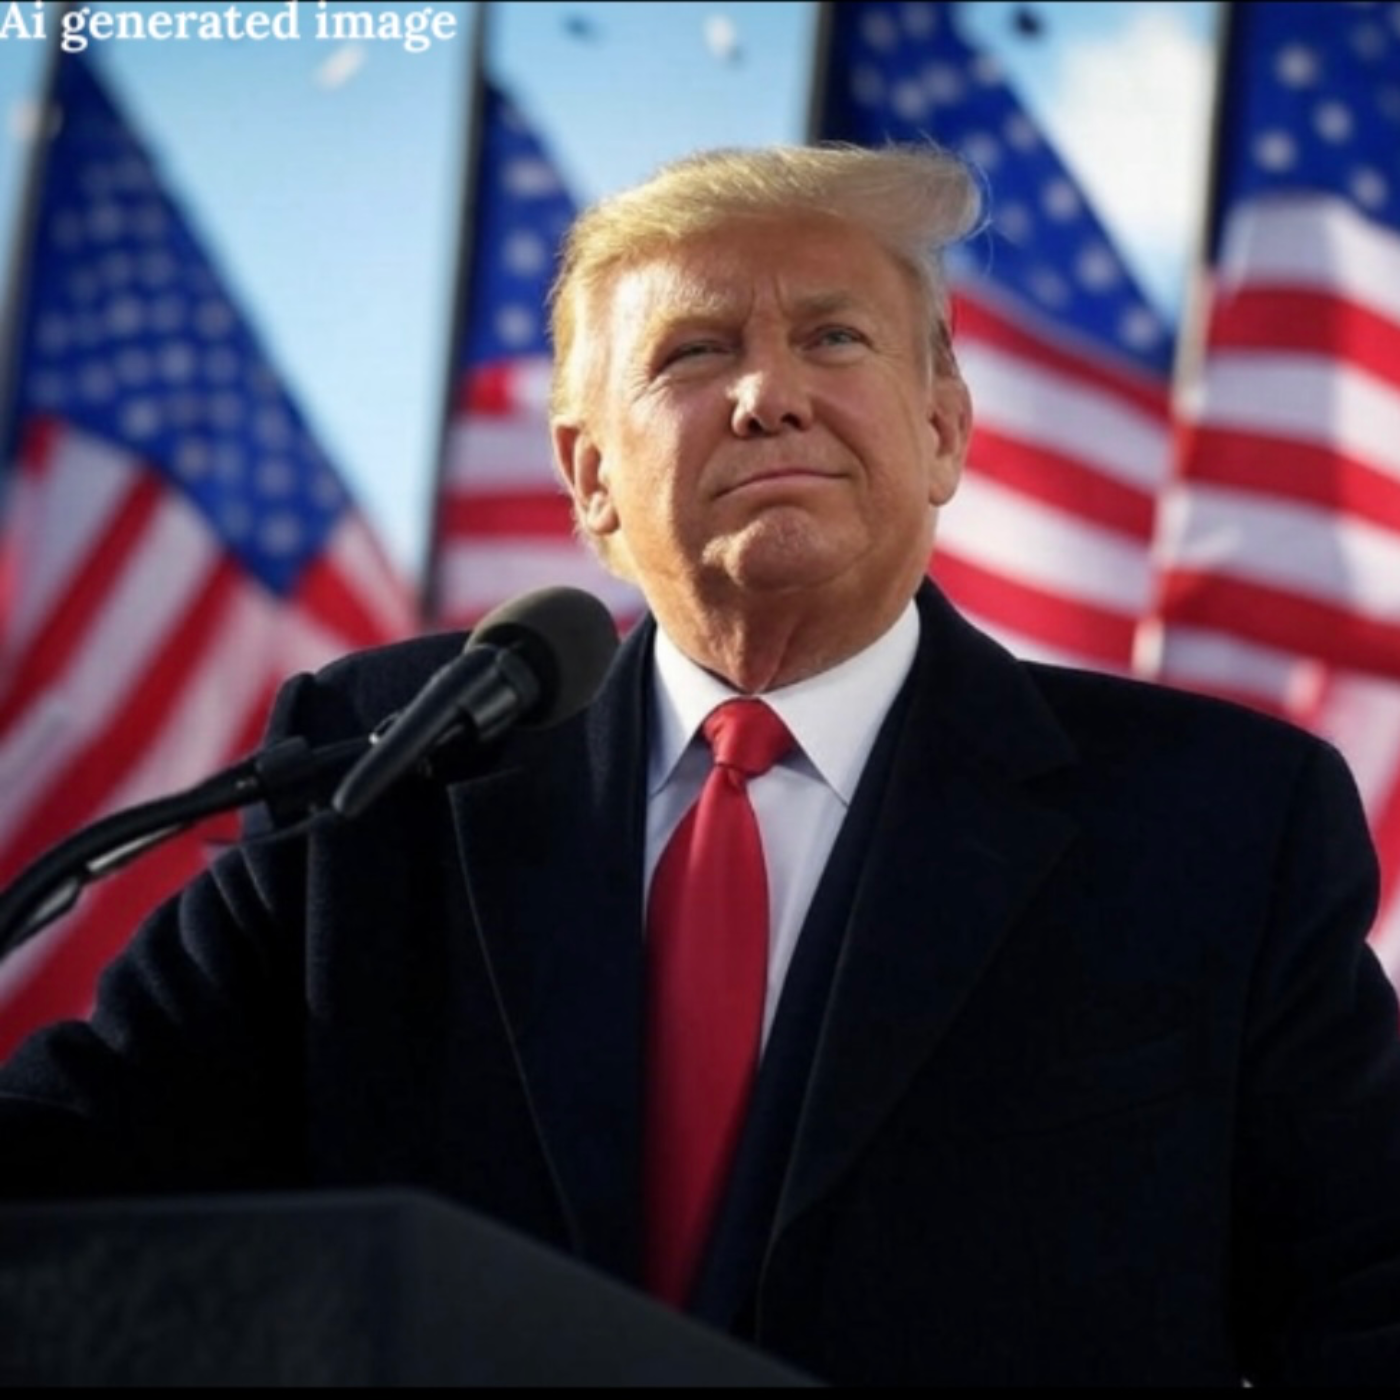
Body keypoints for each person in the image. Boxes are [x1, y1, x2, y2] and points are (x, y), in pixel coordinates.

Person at [2, 140, 1400, 1387]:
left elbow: (1368, 1295)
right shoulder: (388, 762)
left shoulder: (1217, 821)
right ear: (590, 477)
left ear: (943, 430)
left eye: (835, 337)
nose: (769, 395)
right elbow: (69, 1173)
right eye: (693, 354)